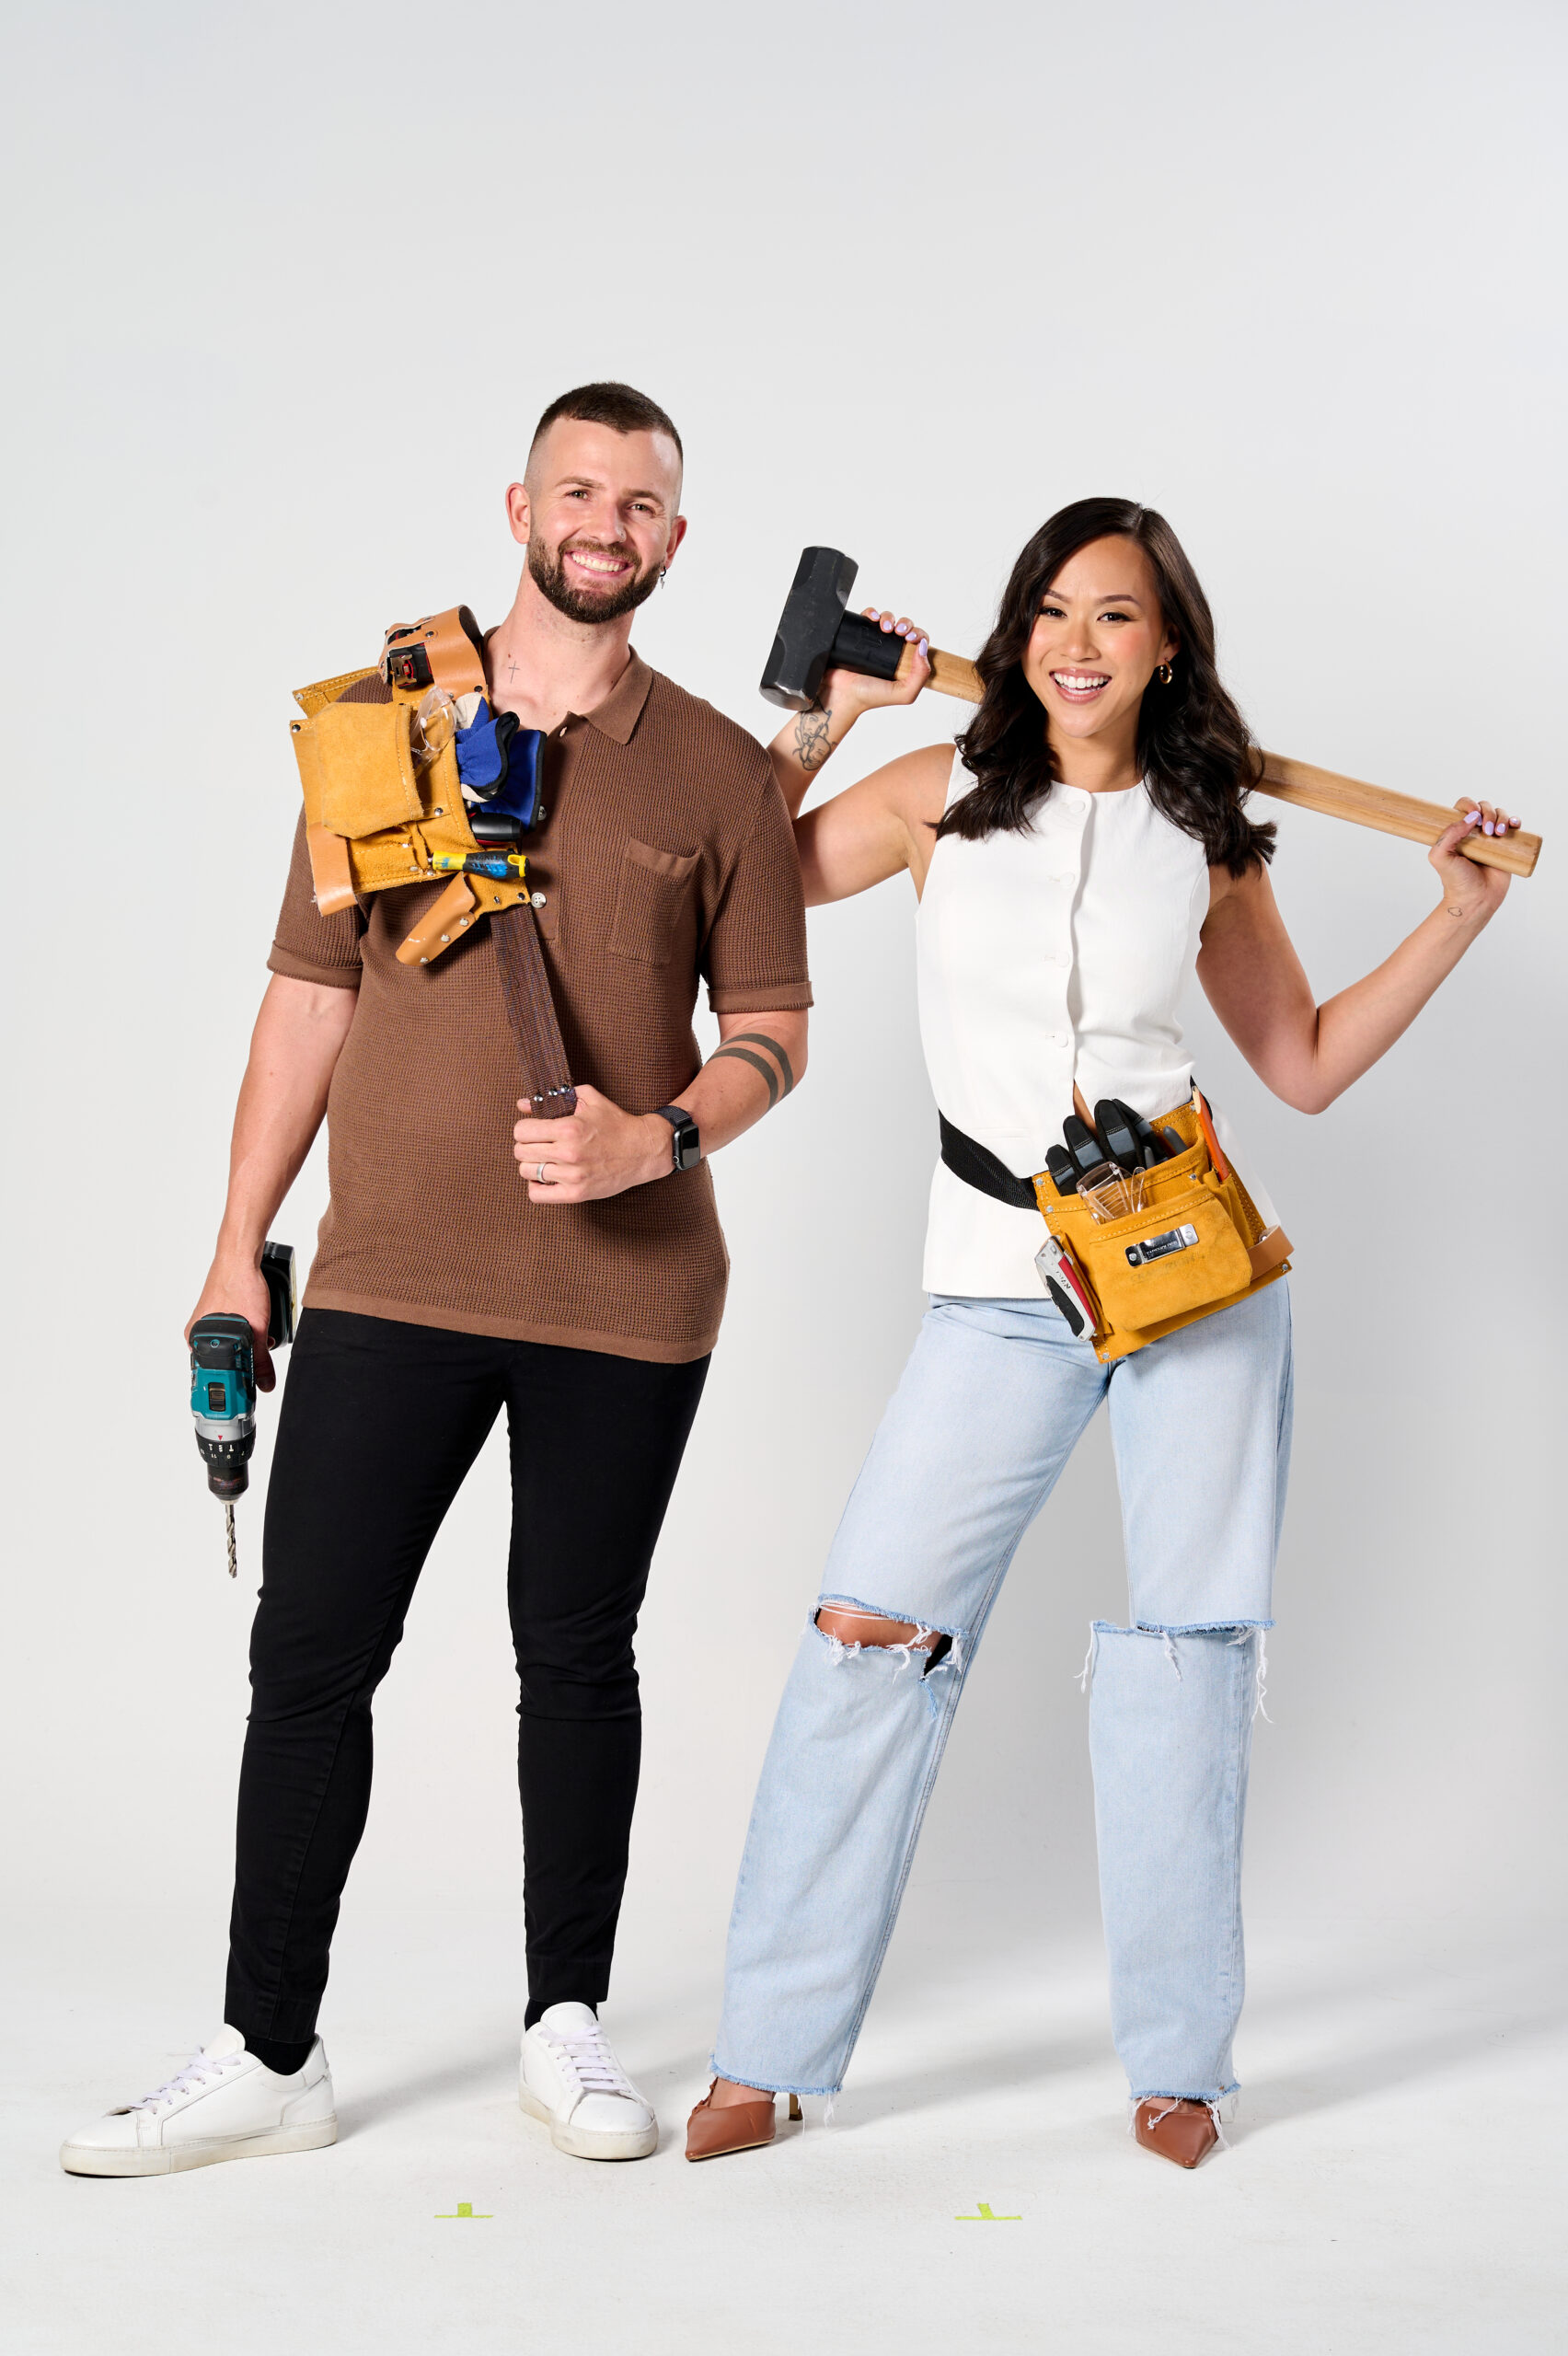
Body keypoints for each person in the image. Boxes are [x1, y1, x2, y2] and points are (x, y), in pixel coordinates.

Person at [686, 495, 1522, 2169]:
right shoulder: (938, 800)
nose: (1077, 643)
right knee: (869, 1633)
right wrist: (822, 722)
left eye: (1118, 616)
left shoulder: (1206, 835)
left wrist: (1452, 915)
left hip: (1190, 1276)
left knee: (1187, 1656)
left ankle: (1181, 2066)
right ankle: (774, 2050)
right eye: (1054, 610)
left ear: (1166, 649)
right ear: (1021, 630)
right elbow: (729, 912)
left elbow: (1298, 1060)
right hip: (999, 1282)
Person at [62, 382, 813, 2177]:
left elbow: (776, 1028)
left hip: (626, 1301)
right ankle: (267, 2048)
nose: (605, 522)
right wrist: (235, 1240)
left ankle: (568, 2020)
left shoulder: (715, 771)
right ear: (520, 503)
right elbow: (306, 998)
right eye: (578, 488)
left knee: (577, 1656)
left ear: (675, 540)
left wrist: (664, 1135)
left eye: (640, 501)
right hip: (395, 1273)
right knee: (311, 1649)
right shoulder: (381, 718)